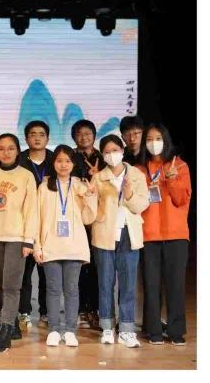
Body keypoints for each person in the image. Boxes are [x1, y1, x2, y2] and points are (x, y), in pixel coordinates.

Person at [35, 145, 98, 348]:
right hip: (50, 246)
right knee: (53, 290)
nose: (64, 165)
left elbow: (88, 219)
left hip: (74, 247)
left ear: (73, 164)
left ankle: (70, 330)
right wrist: (37, 246)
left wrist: (90, 196)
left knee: (72, 290)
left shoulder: (80, 186)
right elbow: (37, 218)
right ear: (53, 163)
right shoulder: (44, 187)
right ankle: (54, 330)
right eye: (59, 160)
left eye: (68, 161)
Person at [91, 134, 149, 347]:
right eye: (107, 152)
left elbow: (142, 205)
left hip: (129, 234)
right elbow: (91, 210)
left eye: (115, 150)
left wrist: (130, 194)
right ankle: (107, 327)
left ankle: (126, 329)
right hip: (104, 234)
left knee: (128, 284)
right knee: (105, 283)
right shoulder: (98, 178)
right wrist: (88, 196)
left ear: (122, 151)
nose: (111, 155)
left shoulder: (136, 175)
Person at [0, 133, 37, 351]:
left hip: (16, 237)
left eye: (11, 148)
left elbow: (32, 210)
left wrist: (29, 241)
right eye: (1, 148)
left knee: (12, 285)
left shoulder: (26, 176)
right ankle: (12, 322)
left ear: (18, 151)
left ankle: (5, 332)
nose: (6, 152)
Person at [138, 123, 191, 345]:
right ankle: (154, 330)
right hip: (148, 235)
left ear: (165, 140)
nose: (154, 143)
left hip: (176, 235)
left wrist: (171, 179)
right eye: (149, 139)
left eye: (158, 138)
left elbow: (181, 199)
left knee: (175, 284)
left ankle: (176, 331)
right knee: (151, 285)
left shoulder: (180, 166)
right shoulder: (140, 169)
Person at [17, 120, 54, 328]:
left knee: (47, 272)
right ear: (26, 138)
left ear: (48, 138)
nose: (37, 138)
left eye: (41, 134)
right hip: (25, 223)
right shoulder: (19, 160)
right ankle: (23, 312)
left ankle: (46, 312)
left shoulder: (56, 160)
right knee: (24, 272)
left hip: (49, 224)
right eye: (33, 134)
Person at [70, 119, 103, 329]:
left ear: (94, 135)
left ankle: (96, 310)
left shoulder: (104, 157)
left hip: (100, 219)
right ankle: (81, 310)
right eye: (80, 134)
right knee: (80, 267)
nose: (84, 137)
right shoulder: (70, 158)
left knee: (98, 268)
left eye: (88, 133)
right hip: (77, 220)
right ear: (74, 137)